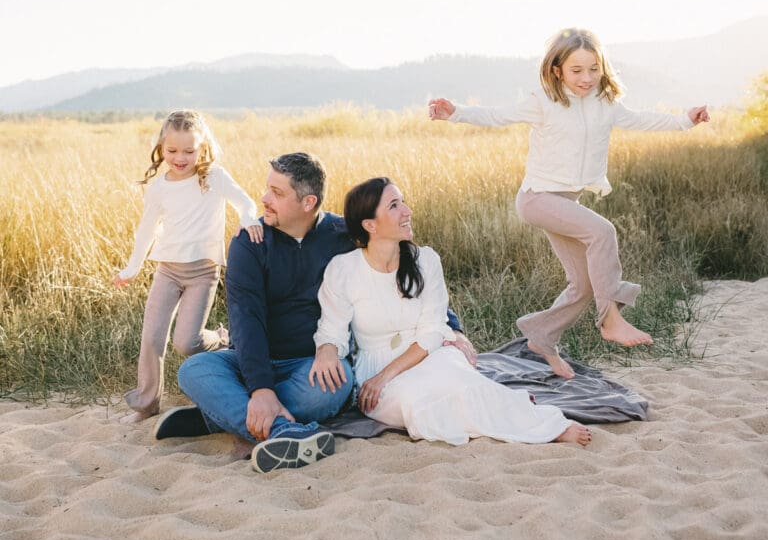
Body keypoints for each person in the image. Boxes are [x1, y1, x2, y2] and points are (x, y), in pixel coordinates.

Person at [155, 152, 475, 473]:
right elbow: (245, 320)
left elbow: (406, 270)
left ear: (308, 203)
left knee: (337, 385)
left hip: (311, 367)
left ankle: (223, 414)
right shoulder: (249, 242)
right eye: (267, 188)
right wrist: (261, 388)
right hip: (251, 360)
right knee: (194, 369)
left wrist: (453, 327)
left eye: (277, 193)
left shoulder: (342, 235)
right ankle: (280, 429)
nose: (264, 199)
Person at [428, 27, 709, 379]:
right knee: (602, 232)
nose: (587, 78)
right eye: (577, 71)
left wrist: (686, 120)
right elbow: (499, 116)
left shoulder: (606, 105)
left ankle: (542, 337)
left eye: (594, 69)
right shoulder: (544, 101)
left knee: (585, 284)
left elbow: (644, 119)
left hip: (565, 202)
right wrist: (456, 112)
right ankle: (611, 318)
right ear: (557, 70)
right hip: (537, 198)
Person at [310, 177, 591, 447]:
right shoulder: (343, 269)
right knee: (415, 402)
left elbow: (433, 330)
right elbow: (332, 329)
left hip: (428, 353)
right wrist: (328, 350)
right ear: (370, 224)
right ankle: (503, 405)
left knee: (458, 381)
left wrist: (385, 375)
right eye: (394, 206)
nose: (407, 211)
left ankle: (543, 425)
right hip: (375, 368)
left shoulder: (426, 261)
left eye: (403, 202)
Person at [114, 109, 261, 423]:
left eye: (189, 151)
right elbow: (147, 230)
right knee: (152, 337)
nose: (180, 158)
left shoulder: (213, 177)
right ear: (161, 148)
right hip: (167, 269)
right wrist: (132, 267)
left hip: (202, 273)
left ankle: (222, 340)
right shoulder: (159, 188)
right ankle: (147, 404)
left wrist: (248, 221)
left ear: (203, 148)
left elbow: (245, 202)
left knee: (186, 342)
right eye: (172, 151)